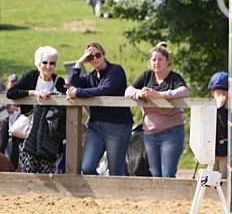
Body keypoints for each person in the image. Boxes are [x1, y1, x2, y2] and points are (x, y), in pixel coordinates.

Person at [67, 42, 133, 176]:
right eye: (90, 57)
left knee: (115, 170)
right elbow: (72, 85)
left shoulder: (116, 70)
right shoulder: (90, 77)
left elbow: (105, 90)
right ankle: (101, 194)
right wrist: (79, 63)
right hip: (95, 126)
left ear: (104, 55)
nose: (95, 59)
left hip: (118, 126)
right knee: (86, 167)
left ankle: (116, 196)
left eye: (98, 55)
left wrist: (78, 92)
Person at [125, 43, 189, 178]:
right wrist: (139, 94)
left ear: (168, 61)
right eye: (154, 59)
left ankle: (171, 199)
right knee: (155, 173)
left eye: (160, 59)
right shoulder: (147, 76)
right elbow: (128, 90)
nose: (156, 62)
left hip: (171, 132)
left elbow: (183, 91)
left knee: (167, 173)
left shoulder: (174, 78)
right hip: (149, 133)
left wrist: (160, 95)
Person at [6, 49, 66, 174]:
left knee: (47, 170)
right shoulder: (31, 76)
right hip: (29, 131)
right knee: (27, 168)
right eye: (45, 62)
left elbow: (65, 100)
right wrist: (33, 93)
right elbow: (11, 92)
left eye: (52, 63)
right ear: (38, 63)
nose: (48, 66)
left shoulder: (58, 81)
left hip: (49, 133)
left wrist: (53, 95)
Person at [208, 71, 230, 179]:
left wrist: (220, 108)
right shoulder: (207, 108)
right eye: (218, 91)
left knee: (224, 177)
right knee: (209, 178)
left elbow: (225, 126)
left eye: (225, 90)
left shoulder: (230, 110)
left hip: (225, 151)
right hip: (211, 150)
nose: (222, 94)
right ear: (212, 92)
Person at [1, 73, 20, 163]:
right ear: (8, 83)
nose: (14, 84)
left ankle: (13, 167)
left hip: (17, 124)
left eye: (16, 82)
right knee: (2, 145)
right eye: (12, 82)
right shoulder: (3, 94)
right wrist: (8, 109)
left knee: (16, 149)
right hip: (4, 123)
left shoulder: (21, 93)